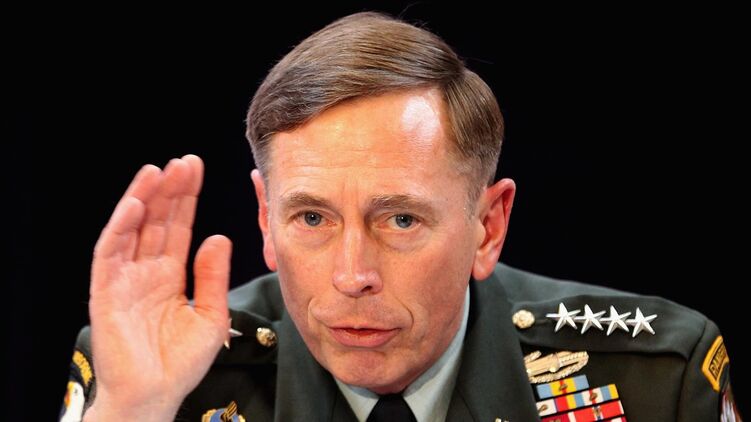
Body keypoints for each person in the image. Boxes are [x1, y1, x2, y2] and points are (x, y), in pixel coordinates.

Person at [60, 11, 740, 422]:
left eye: (400, 221)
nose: (352, 275)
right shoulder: (163, 377)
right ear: (265, 220)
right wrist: (132, 411)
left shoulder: (656, 378)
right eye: (313, 219)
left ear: (488, 227)